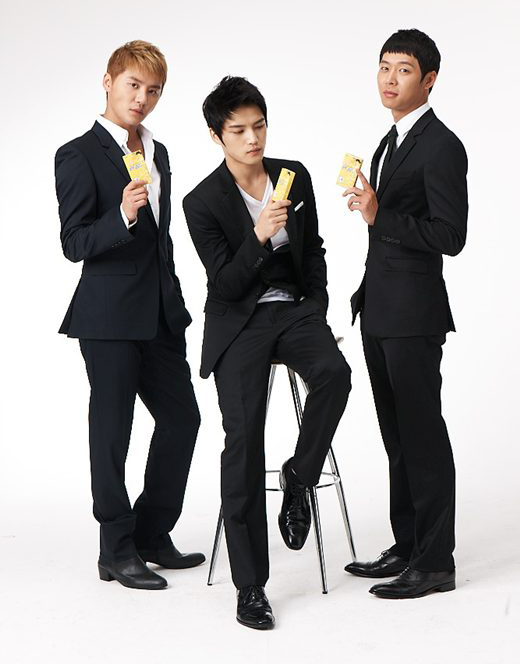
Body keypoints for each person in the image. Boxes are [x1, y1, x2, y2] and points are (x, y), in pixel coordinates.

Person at [183, 76, 351, 629]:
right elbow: (226, 284)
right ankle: (250, 586)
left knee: (335, 374)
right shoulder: (201, 202)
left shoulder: (292, 174)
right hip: (240, 322)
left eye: (259, 126)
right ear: (217, 136)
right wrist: (257, 236)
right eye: (238, 131)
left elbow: (315, 249)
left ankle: (300, 476)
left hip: (296, 310)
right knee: (243, 442)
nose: (252, 138)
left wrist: (317, 306)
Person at [55, 40, 204, 590]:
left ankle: (151, 533)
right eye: (133, 85)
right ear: (109, 81)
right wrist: (120, 214)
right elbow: (74, 242)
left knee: (183, 419)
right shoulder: (77, 154)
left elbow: (162, 239)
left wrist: (175, 302)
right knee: (113, 430)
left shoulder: (158, 151)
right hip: (109, 317)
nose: (142, 98)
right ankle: (115, 549)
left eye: (153, 90)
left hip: (160, 314)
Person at [343, 29, 468, 599]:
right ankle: (409, 543)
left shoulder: (441, 145)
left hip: (415, 315)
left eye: (404, 70)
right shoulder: (390, 140)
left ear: (429, 80)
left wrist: (379, 215)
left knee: (422, 434)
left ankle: (436, 562)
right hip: (379, 309)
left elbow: (451, 235)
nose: (390, 79)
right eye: (384, 67)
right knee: (396, 436)